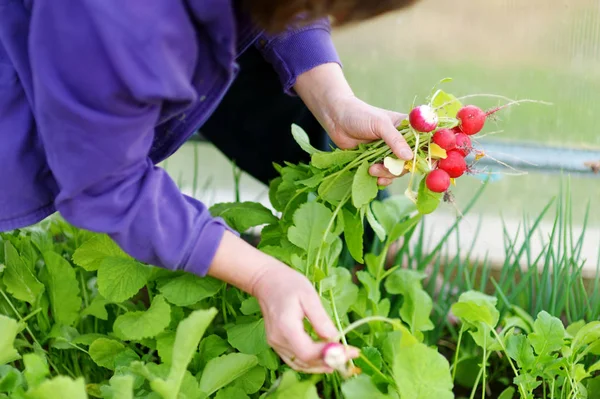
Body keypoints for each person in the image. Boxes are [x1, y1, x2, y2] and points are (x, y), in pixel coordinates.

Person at [0, 0, 418, 374]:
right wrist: (261, 275)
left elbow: (280, 7)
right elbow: (107, 184)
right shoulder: (120, 18)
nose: (333, 19)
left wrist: (335, 102)